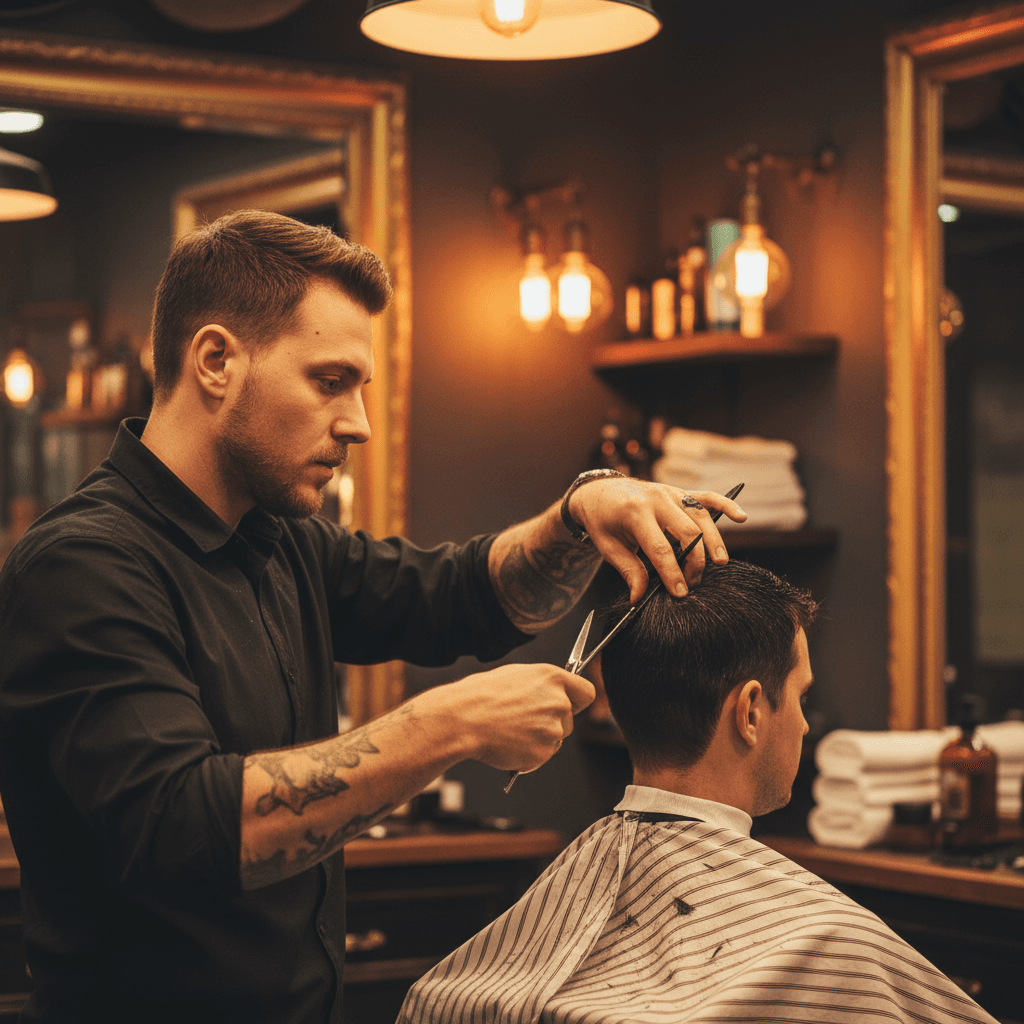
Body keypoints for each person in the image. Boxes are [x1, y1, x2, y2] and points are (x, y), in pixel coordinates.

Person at [0, 209, 746, 1024]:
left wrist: (580, 510)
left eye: (360, 389)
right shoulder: (84, 566)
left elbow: (462, 594)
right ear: (215, 360)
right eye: (330, 381)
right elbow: (185, 826)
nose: (356, 421)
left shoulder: (283, 545)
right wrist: (445, 728)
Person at [399, 560, 998, 1024]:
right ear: (750, 713)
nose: (808, 724)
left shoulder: (482, 967)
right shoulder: (835, 945)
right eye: (802, 698)